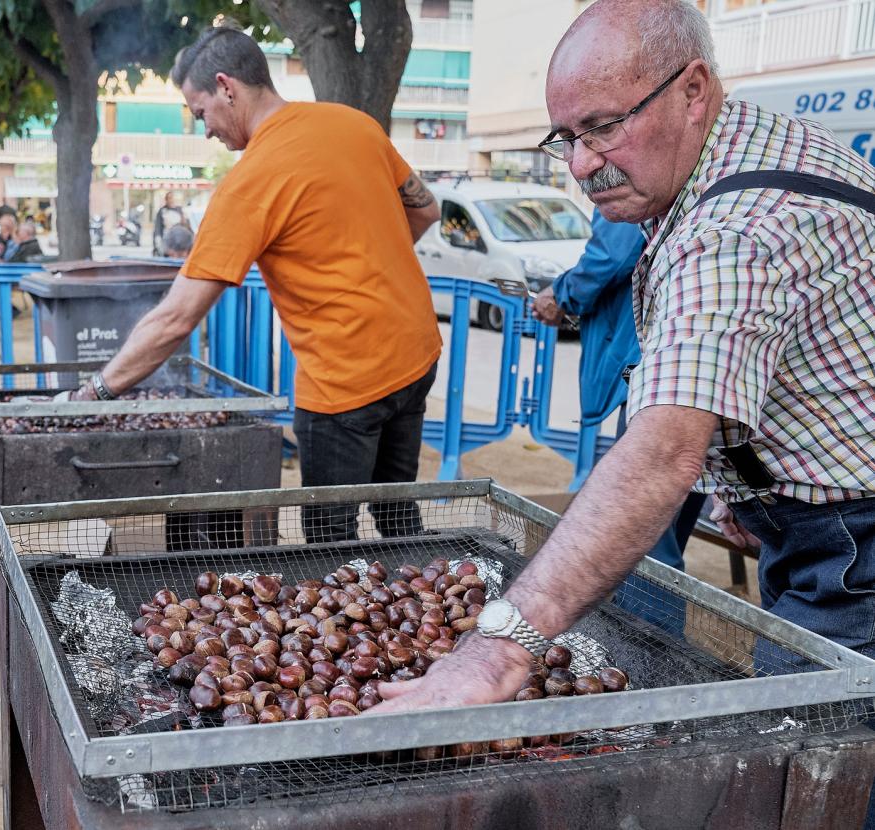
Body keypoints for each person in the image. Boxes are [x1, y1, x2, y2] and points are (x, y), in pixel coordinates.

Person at [371, 0, 874, 731]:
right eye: (567, 137)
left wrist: (497, 650)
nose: (580, 164)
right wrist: (748, 481)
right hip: (821, 518)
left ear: (693, 89)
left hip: (857, 542)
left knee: (816, 752)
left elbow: (661, 453)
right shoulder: (746, 150)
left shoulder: (733, 233)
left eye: (604, 127)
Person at [67, 25, 442, 543]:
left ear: (226, 87)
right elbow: (425, 210)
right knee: (398, 514)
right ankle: (418, 607)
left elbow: (177, 317)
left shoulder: (251, 183)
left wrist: (96, 391)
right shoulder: (354, 124)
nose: (205, 131)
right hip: (416, 355)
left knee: (333, 547)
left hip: (344, 385)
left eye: (201, 114)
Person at [532, 210, 706, 635]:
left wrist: (562, 293)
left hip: (657, 373)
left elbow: (611, 255)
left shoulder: (633, 174)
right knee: (667, 521)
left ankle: (647, 652)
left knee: (644, 536)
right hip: (699, 375)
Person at [153, 191, 190, 255]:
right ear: (166, 200)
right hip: (167, 241)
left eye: (172, 198)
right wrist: (158, 242)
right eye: (169, 198)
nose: (171, 200)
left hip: (179, 242)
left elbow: (186, 225)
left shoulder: (180, 210)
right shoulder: (162, 211)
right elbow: (158, 227)